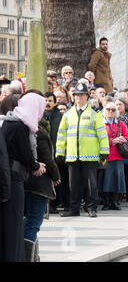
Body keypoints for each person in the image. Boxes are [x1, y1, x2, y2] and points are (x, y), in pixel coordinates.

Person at [0, 93, 46, 262]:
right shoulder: (21, 126)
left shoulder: (9, 122)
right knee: (15, 225)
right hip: (15, 178)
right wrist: (36, 165)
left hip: (8, 177)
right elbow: (26, 154)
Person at [56, 82, 110, 218]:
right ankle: (73, 209)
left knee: (90, 184)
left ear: (87, 96)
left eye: (81, 95)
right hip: (73, 155)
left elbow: (102, 134)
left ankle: (91, 208)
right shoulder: (68, 114)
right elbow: (61, 134)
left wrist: (104, 151)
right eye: (76, 95)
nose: (78, 97)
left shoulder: (94, 113)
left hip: (90, 155)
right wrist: (59, 152)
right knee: (73, 184)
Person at [24, 117, 61, 261]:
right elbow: (47, 158)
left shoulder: (23, 127)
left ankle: (32, 257)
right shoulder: (37, 131)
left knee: (27, 222)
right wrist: (56, 176)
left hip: (25, 182)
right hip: (39, 184)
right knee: (33, 224)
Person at [100, 102, 128, 210]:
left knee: (117, 180)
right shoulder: (101, 123)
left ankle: (114, 202)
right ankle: (106, 202)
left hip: (118, 156)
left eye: (113, 110)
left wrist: (124, 139)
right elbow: (98, 138)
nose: (110, 111)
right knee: (106, 180)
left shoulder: (120, 124)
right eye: (108, 109)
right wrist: (112, 141)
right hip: (106, 156)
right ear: (105, 111)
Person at [43, 92, 64, 214]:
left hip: (56, 153)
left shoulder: (60, 116)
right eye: (46, 100)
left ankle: (54, 204)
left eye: (50, 100)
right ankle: (47, 205)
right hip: (44, 153)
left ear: (55, 102)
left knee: (57, 180)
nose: (47, 103)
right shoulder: (39, 115)